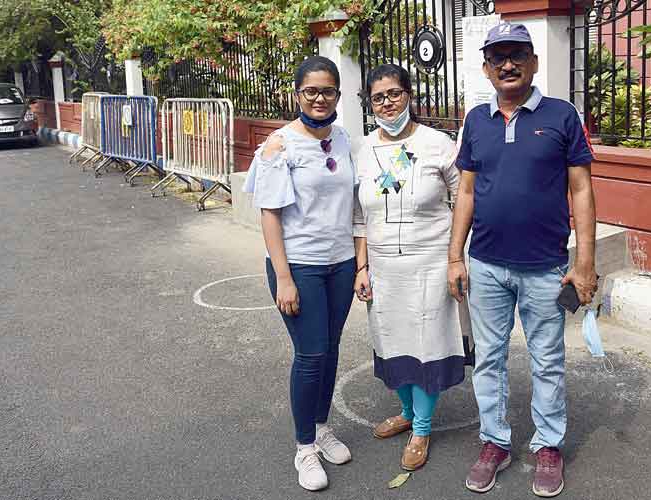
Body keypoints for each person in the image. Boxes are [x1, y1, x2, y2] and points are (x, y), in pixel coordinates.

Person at [447, 23, 598, 497]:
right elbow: (466, 191)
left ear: (533, 62)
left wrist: (586, 262)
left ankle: (548, 446)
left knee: (547, 360)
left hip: (545, 267)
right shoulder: (475, 119)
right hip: (488, 264)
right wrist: (456, 256)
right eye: (498, 57)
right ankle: (495, 442)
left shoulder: (561, 116)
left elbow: (582, 189)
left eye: (517, 55)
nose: (507, 64)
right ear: (486, 67)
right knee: (489, 359)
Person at [242, 56, 356, 492]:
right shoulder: (278, 147)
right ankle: (304, 446)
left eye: (328, 91)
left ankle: (322, 427)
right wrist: (284, 278)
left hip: (341, 262)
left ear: (338, 96)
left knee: (330, 349)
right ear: (297, 94)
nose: (320, 98)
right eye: (311, 91)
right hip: (300, 266)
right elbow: (269, 215)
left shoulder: (343, 139)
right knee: (310, 355)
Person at [352, 64, 465, 471]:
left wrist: (457, 257)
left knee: (427, 344)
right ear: (370, 103)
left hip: (429, 266)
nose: (387, 103)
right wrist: (362, 266)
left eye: (394, 94)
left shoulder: (438, 144)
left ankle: (421, 427)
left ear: (410, 94)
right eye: (378, 97)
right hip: (383, 268)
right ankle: (404, 411)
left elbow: (464, 199)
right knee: (391, 341)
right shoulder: (363, 150)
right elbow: (360, 215)